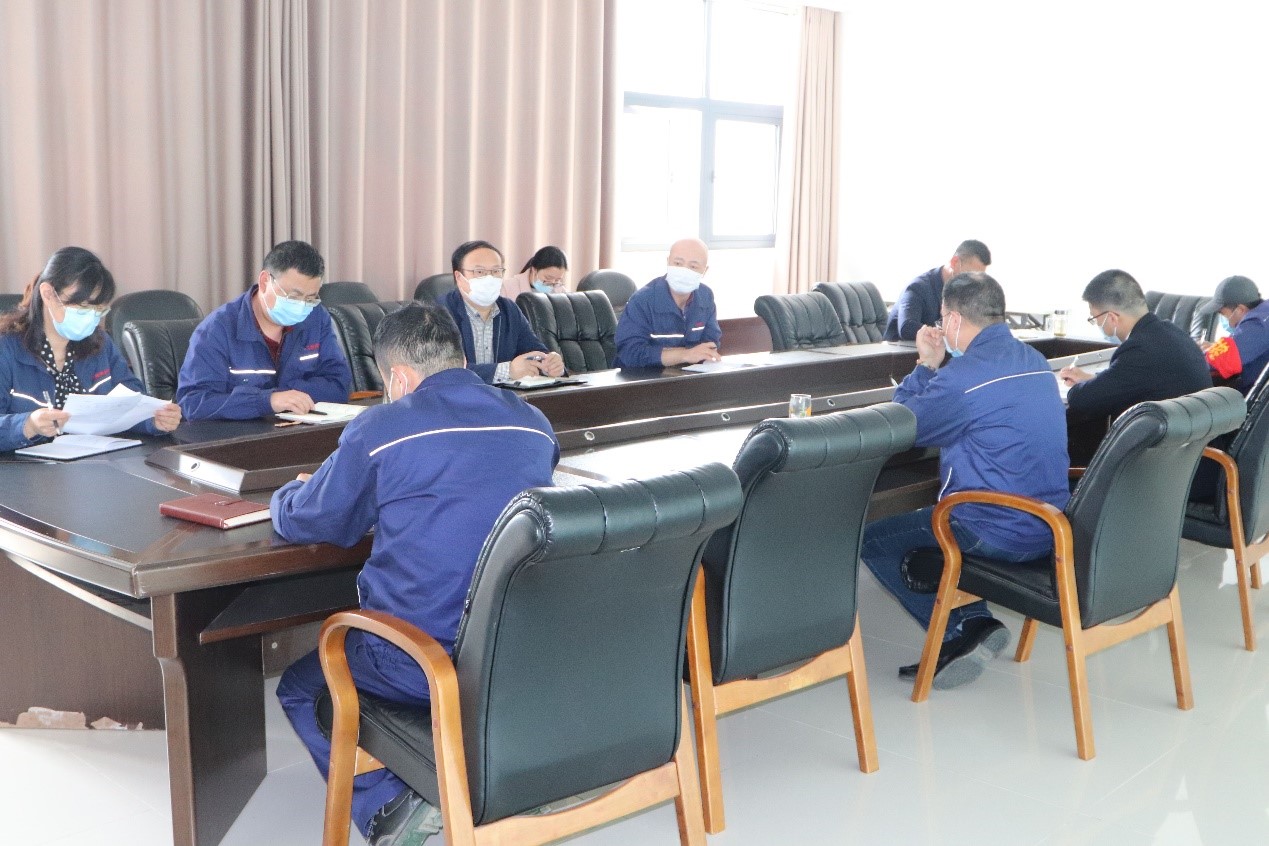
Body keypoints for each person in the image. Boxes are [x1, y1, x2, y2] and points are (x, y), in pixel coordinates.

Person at [273, 301, 560, 845]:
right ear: (460, 359)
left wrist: (289, 493)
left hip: (418, 661)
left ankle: (390, 807)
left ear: (398, 378)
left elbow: (314, 520)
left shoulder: (381, 428)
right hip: (513, 651)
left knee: (302, 687)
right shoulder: (534, 422)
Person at [862, 272, 1070, 689]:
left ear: (954, 319)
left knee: (873, 540)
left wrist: (926, 364)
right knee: (924, 520)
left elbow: (905, 424)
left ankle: (964, 627)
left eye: (942, 318)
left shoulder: (963, 377)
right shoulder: (1035, 361)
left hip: (993, 528)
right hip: (1051, 524)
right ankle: (975, 623)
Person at [0, 247, 181, 451]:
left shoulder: (100, 344)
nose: (91, 317)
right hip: (24, 465)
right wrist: (27, 426)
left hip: (93, 460)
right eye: (83, 307)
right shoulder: (6, 348)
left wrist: (155, 420)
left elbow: (131, 405)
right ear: (48, 294)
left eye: (98, 309)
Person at [176, 240, 351, 420]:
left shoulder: (316, 317)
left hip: (301, 430)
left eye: (310, 298)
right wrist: (267, 400)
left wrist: (286, 395)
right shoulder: (216, 330)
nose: (301, 306)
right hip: (243, 435)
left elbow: (339, 385)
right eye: (293, 296)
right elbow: (193, 403)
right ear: (265, 282)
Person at [1061, 269, 1211, 420]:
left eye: (1094, 318)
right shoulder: (1175, 333)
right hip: (1195, 431)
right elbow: (1125, 378)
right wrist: (1091, 379)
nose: (1097, 324)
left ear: (1112, 318)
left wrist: (1076, 388)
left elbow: (1081, 399)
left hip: (1162, 434)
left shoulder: (1138, 350)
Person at [440, 240, 565, 383]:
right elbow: (445, 370)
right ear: (459, 277)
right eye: (479, 272)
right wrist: (507, 371)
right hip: (457, 396)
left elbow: (534, 350)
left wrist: (550, 364)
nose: (489, 278)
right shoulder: (439, 313)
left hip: (504, 396)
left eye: (496, 271)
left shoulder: (509, 309)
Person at [614, 237, 722, 368]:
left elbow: (710, 344)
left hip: (689, 375)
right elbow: (629, 353)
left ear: (704, 271)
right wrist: (684, 354)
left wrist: (692, 355)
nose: (684, 271)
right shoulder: (642, 300)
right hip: (642, 377)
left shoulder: (706, 296)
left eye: (693, 266)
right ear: (668, 262)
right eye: (678, 263)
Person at [884, 240, 991, 341]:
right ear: (954, 262)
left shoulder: (964, 292)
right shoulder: (917, 287)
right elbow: (906, 327)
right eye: (970, 275)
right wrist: (944, 333)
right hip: (902, 351)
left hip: (941, 351)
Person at [1197, 275, 1269, 394]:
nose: (1223, 318)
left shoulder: (1257, 324)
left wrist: (1192, 354)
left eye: (1223, 313)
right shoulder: (1264, 312)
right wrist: (1215, 348)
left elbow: (1210, 364)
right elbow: (1241, 345)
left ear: (1240, 309)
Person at [502, 245, 568, 298]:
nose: (552, 284)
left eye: (557, 280)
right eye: (548, 278)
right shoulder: (507, 288)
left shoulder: (561, 292)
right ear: (534, 270)